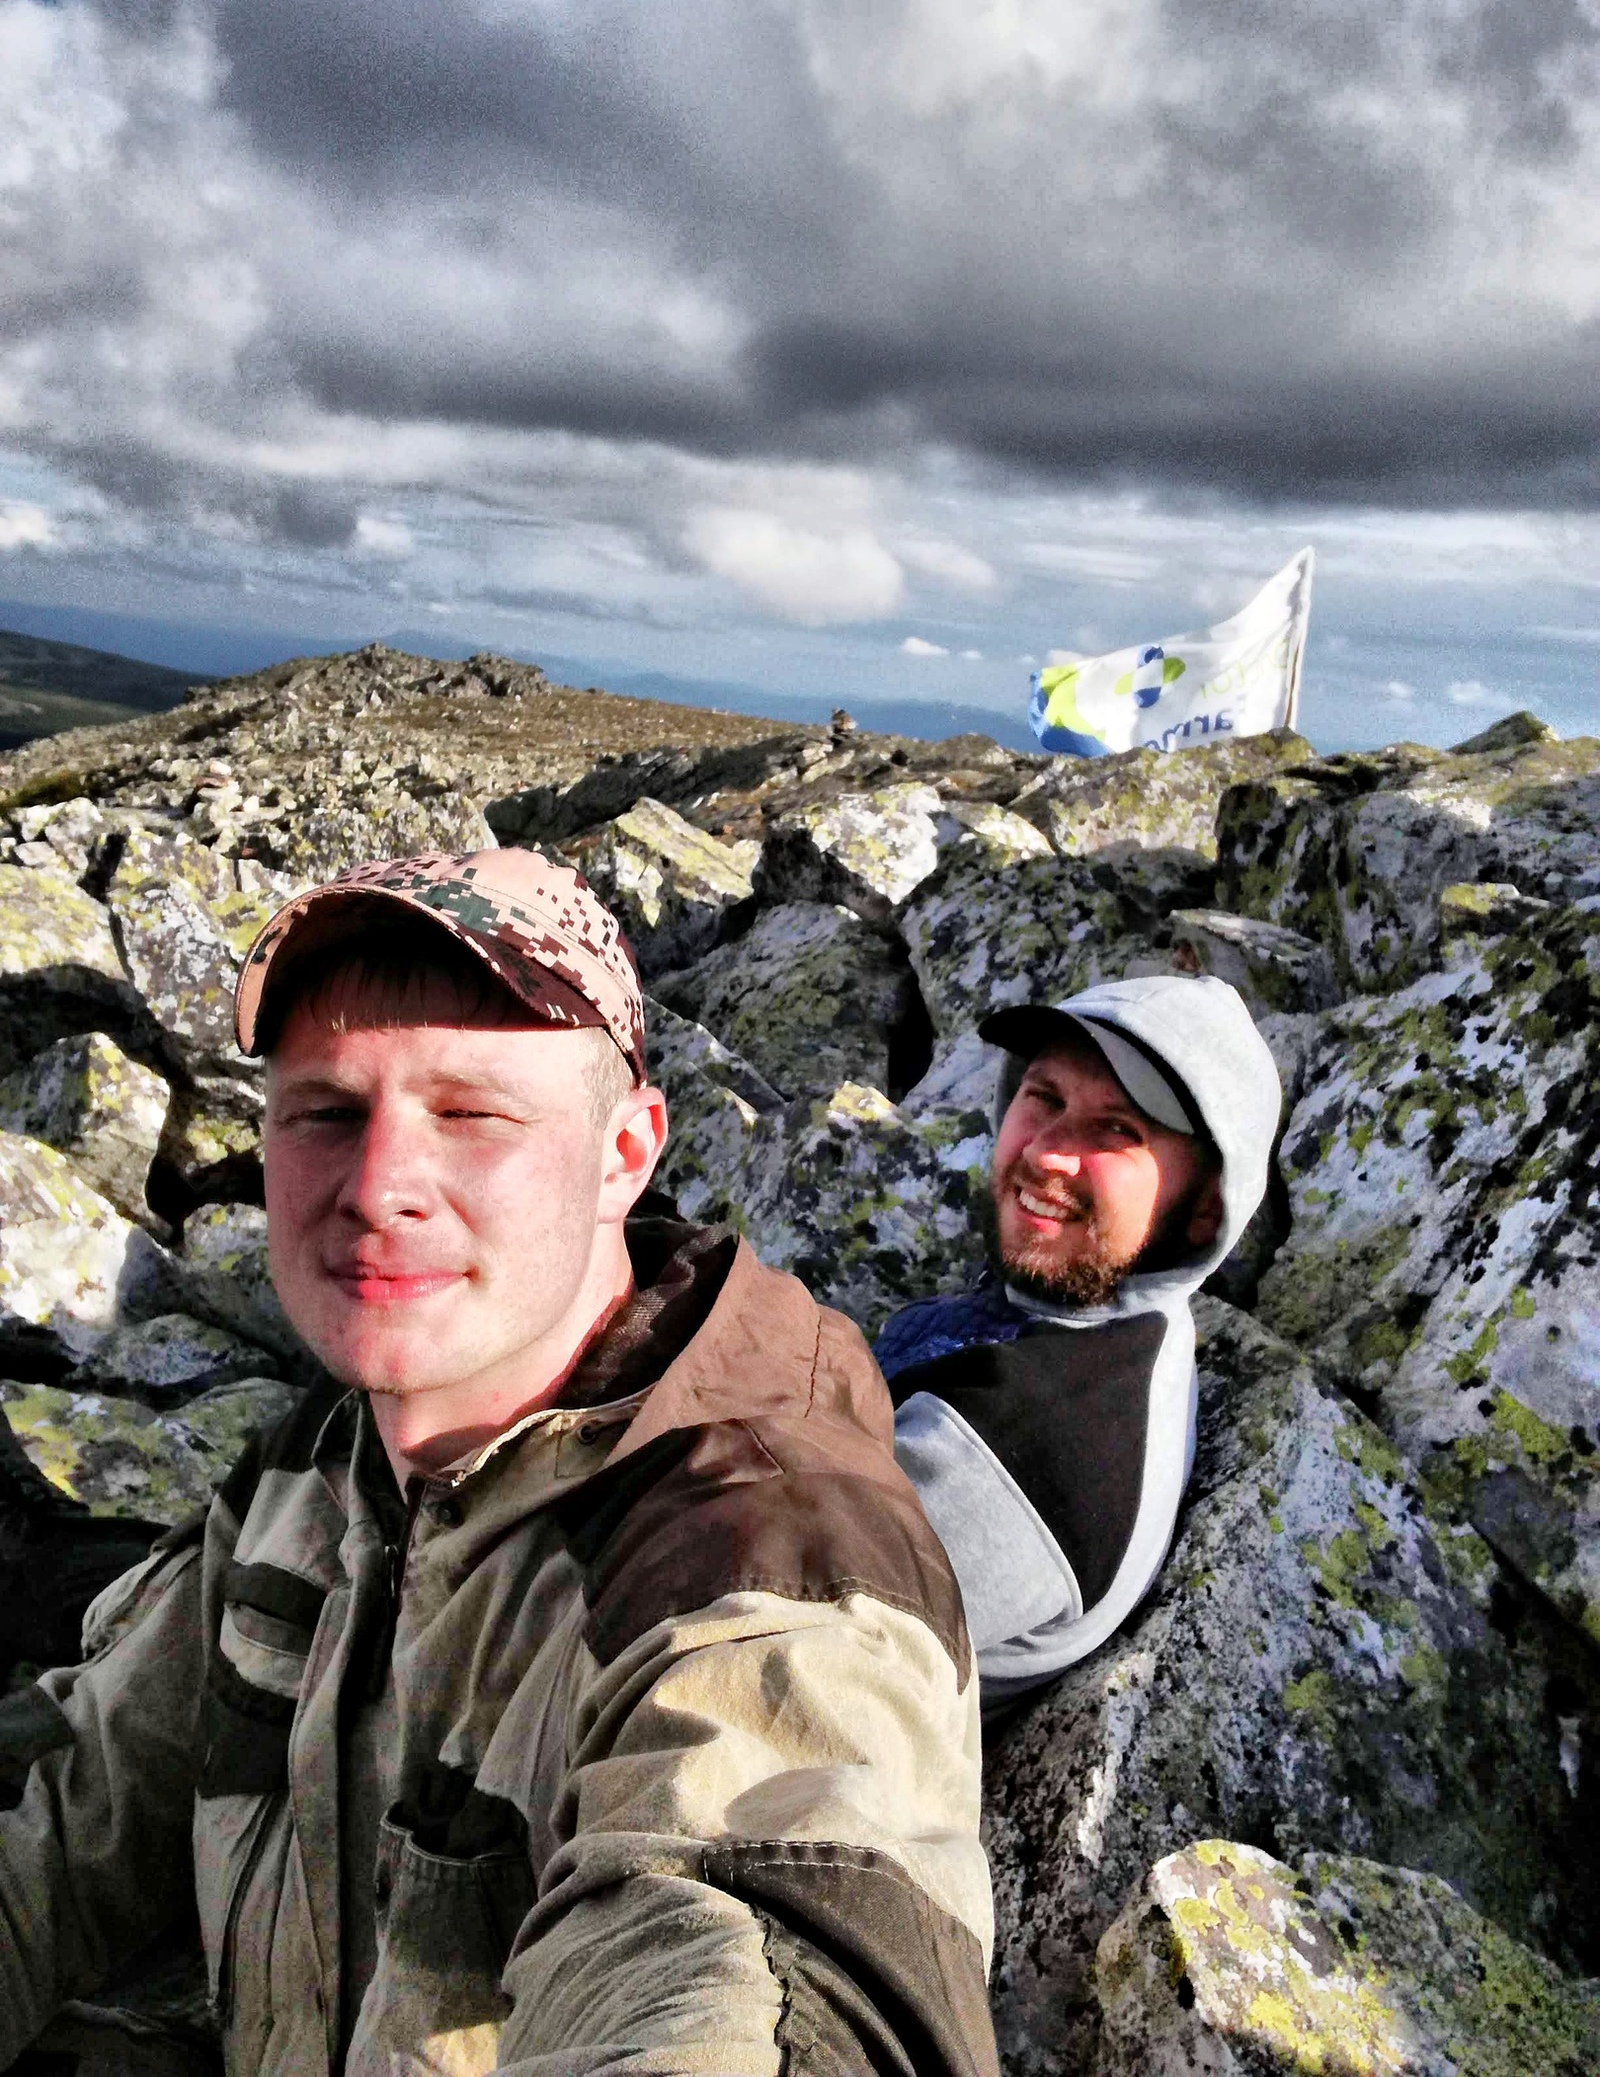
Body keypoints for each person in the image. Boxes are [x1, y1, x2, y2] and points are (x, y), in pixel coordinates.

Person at [0, 850, 998, 2077]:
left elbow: (763, 1965)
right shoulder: (318, 1466)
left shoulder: (760, 1567)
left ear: (626, 1152)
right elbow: (66, 1805)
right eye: (325, 1112)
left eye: (470, 1114)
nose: (376, 1189)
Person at [877, 974, 1281, 1712]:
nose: (1049, 1155)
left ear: (1204, 1210)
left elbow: (735, 1630)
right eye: (1045, 1098)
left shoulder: (1034, 1445)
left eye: (1117, 1130)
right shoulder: (1095, 1303)